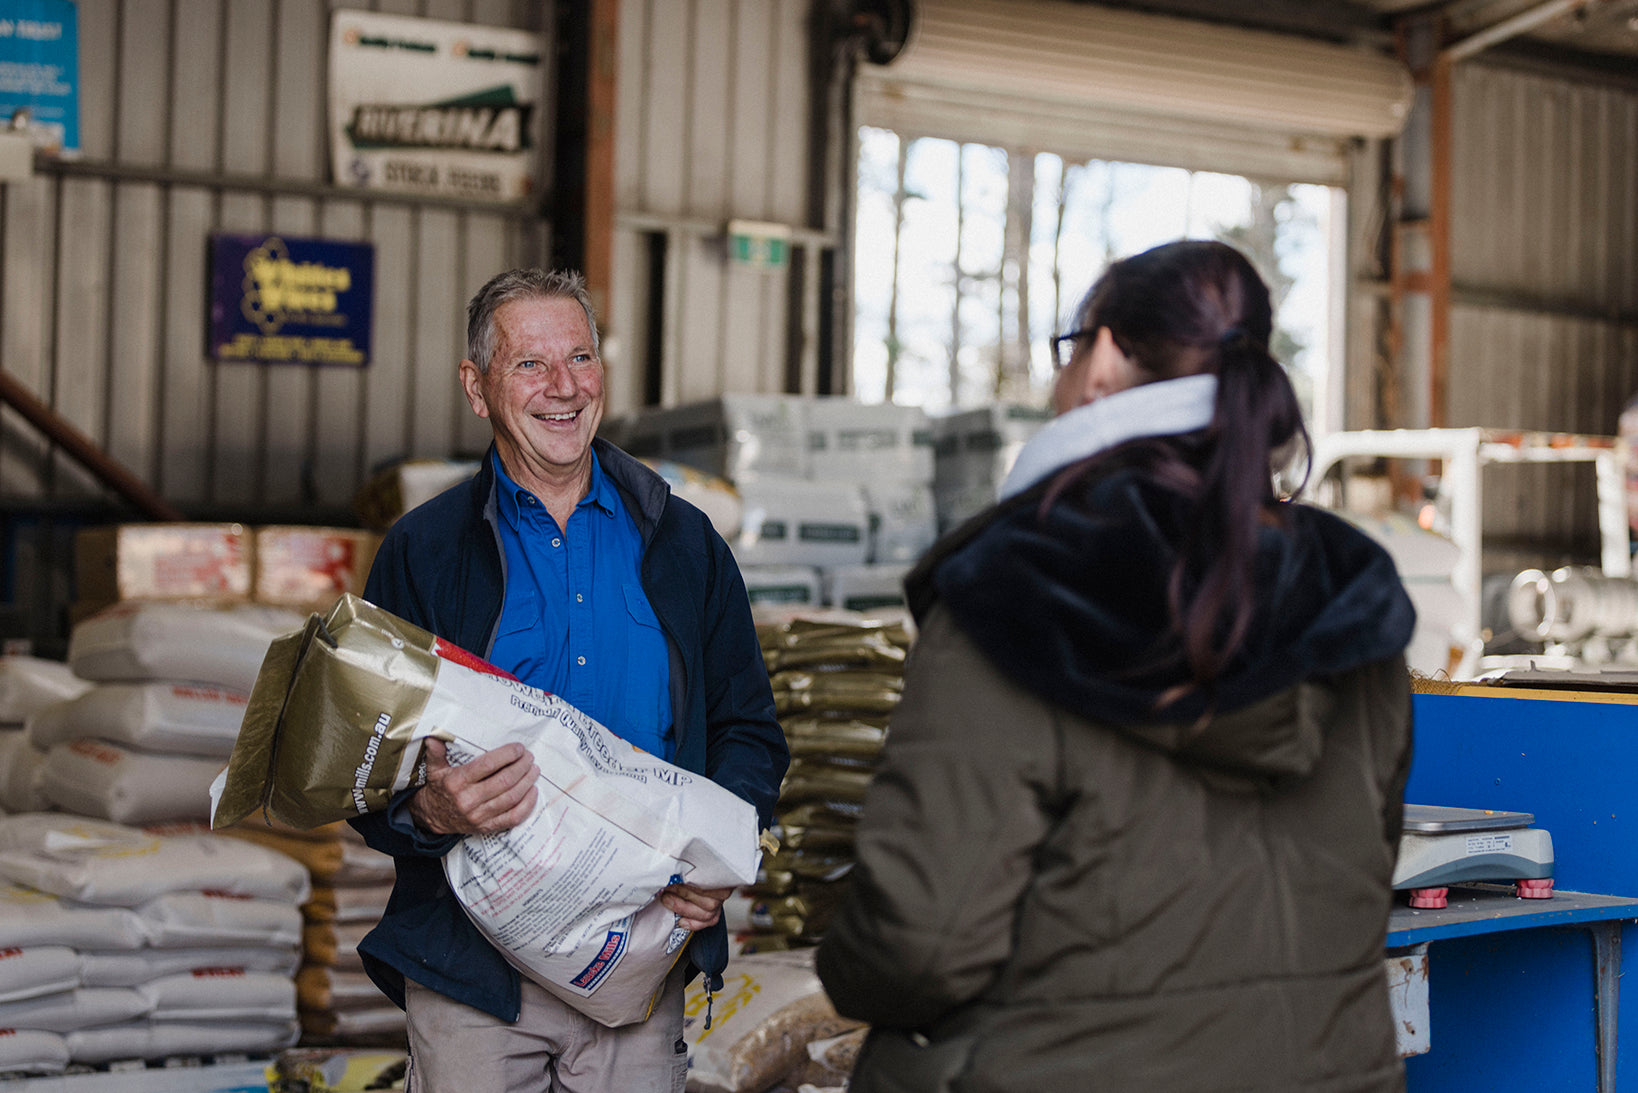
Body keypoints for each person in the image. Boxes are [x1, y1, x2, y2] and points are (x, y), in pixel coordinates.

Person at [815, 240, 1417, 1092]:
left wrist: (837, 960)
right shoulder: (1348, 597)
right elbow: (1364, 871)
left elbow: (923, 944)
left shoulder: (1013, 587)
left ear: (1099, 359)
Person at [350, 267, 790, 1092]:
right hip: (472, 976)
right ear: (476, 388)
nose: (563, 387)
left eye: (580, 357)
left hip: (638, 964)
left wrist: (721, 850)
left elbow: (748, 730)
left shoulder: (684, 543)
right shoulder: (424, 551)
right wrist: (430, 806)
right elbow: (360, 760)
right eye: (530, 365)